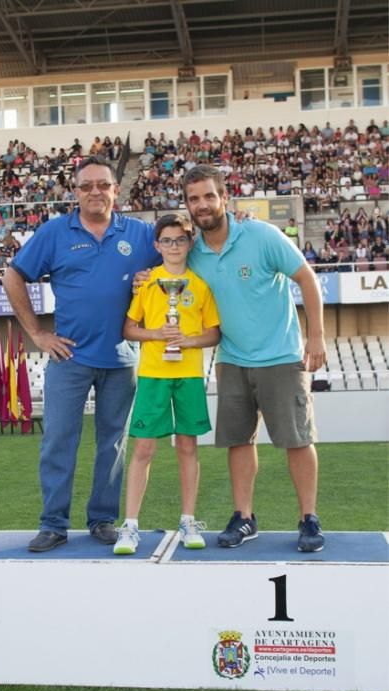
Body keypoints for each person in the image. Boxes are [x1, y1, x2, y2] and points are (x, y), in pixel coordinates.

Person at [135, 165, 326, 552]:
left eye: (209, 196)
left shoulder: (261, 235)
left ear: (224, 197)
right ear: (187, 206)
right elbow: (166, 268)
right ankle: (244, 517)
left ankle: (308, 518)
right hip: (231, 359)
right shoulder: (194, 254)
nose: (202, 205)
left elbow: (305, 277)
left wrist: (318, 336)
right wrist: (144, 278)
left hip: (280, 356)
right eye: (194, 199)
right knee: (239, 441)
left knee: (297, 440)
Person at [2, 156, 161, 553]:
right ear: (75, 192)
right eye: (86, 185)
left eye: (102, 185)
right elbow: (12, 275)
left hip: (122, 359)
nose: (95, 192)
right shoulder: (55, 232)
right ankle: (53, 524)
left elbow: (177, 266)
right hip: (68, 359)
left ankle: (102, 520)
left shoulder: (140, 234)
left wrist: (153, 278)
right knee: (59, 441)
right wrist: (38, 333)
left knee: (113, 444)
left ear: (114, 190)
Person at [113, 214, 220, 555]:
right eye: (167, 241)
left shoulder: (200, 286)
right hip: (153, 375)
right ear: (157, 246)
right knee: (144, 448)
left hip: (188, 375)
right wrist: (156, 334)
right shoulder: (147, 284)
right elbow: (129, 329)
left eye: (181, 240)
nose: (174, 246)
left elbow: (214, 333)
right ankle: (129, 525)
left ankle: (188, 519)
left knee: (188, 447)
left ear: (190, 244)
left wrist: (187, 342)